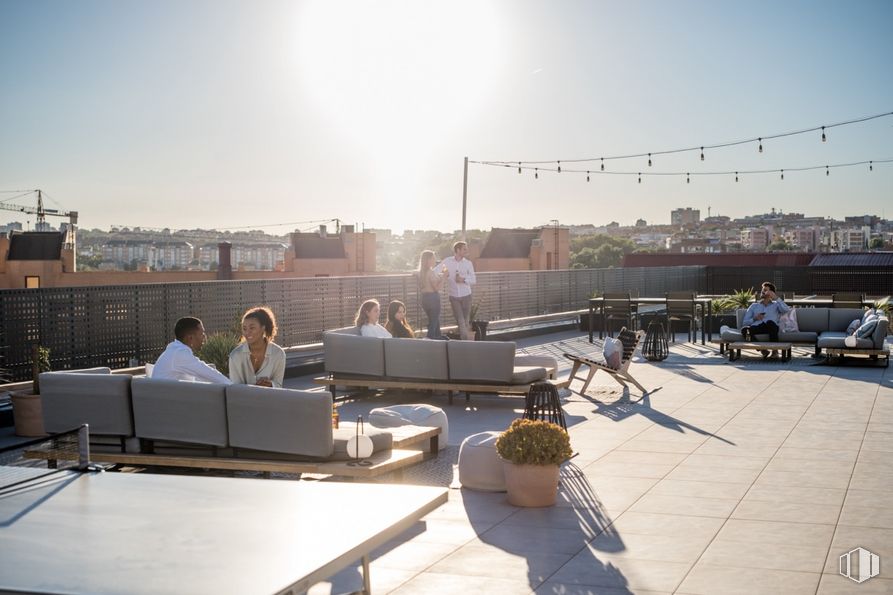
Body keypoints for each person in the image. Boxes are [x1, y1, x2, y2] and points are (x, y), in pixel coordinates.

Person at [152, 316, 233, 384]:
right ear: (190, 338)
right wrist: (233, 386)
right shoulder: (180, 354)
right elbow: (207, 373)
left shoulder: (174, 351)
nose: (204, 338)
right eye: (202, 334)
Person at [228, 306, 286, 388]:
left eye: (252, 328)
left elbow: (278, 385)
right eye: (244, 328)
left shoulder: (279, 354)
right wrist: (255, 389)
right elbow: (235, 389)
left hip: (269, 399)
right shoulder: (235, 356)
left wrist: (270, 384)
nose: (247, 332)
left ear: (263, 328)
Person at [441, 241, 476, 340]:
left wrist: (463, 280)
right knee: (460, 320)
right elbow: (436, 270)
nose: (466, 250)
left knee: (465, 321)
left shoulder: (468, 263)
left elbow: (474, 279)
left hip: (466, 296)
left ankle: (464, 342)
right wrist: (419, 272)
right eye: (464, 249)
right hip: (454, 297)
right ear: (458, 250)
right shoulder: (447, 261)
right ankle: (465, 343)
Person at [417, 250, 449, 339]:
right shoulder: (430, 272)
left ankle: (438, 337)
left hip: (424, 299)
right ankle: (429, 339)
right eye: (433, 258)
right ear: (428, 260)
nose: (435, 260)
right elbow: (437, 288)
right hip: (433, 299)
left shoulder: (420, 272)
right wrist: (444, 276)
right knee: (433, 322)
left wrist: (440, 276)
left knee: (434, 320)